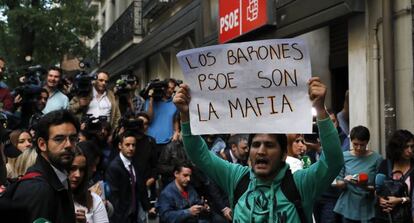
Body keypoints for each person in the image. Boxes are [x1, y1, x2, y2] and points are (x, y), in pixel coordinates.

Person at [173, 77, 344, 222]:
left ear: (284, 154)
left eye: (269, 145)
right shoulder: (236, 177)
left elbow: (334, 161)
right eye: (255, 145)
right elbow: (199, 154)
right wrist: (185, 116)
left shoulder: (301, 184)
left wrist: (320, 109)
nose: (261, 151)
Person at [11, 109, 80, 222]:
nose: (68, 145)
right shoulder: (38, 189)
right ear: (42, 144)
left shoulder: (60, 177)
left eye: (73, 139)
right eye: (59, 139)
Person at [333, 125, 383, 222]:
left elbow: (379, 187)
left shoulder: (377, 159)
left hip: (367, 205)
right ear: (351, 142)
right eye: (355, 144)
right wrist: (346, 181)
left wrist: (364, 186)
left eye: (362, 145)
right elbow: (337, 182)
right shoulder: (344, 156)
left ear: (367, 142)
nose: (359, 148)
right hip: (348, 205)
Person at [105, 131, 151, 223]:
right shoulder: (114, 167)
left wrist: (148, 207)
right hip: (121, 216)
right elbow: (114, 197)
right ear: (120, 145)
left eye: (133, 145)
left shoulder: (135, 163)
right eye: (127, 145)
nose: (131, 148)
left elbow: (141, 187)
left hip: (134, 213)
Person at [375, 129, 414, 222]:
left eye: (412, 146)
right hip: (386, 216)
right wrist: (381, 200)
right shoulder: (386, 165)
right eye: (406, 147)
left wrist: (401, 200)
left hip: (406, 217)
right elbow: (377, 189)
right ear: (397, 148)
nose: (410, 150)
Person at [69, 148, 109, 223]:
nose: (78, 175)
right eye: (72, 168)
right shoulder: (50, 196)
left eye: (82, 169)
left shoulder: (94, 200)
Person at [145, 78, 180, 150]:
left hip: (168, 143)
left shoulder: (174, 103)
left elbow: (175, 120)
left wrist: (176, 132)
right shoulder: (150, 101)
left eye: (172, 88)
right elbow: (149, 119)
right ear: (163, 87)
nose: (169, 90)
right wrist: (151, 99)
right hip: (151, 142)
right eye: (168, 88)